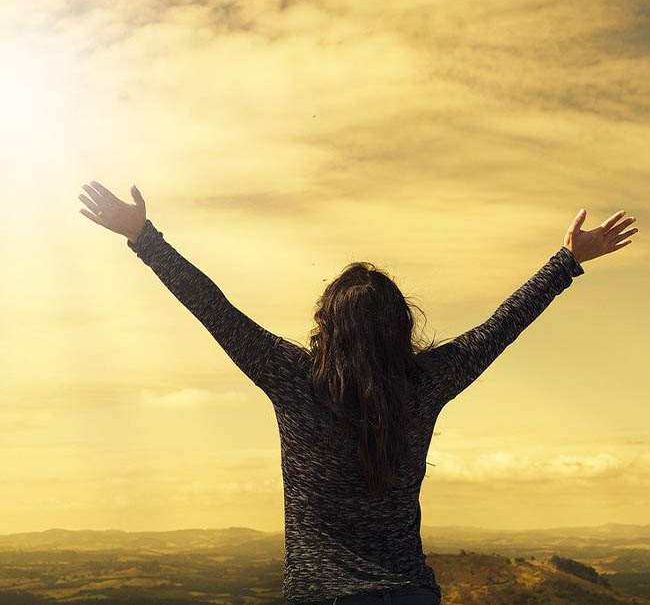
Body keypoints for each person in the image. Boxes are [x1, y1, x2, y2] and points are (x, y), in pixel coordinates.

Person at [78, 181, 638, 605]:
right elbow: (500, 326)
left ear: (326, 323)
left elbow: (214, 310)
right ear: (400, 324)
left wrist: (143, 238)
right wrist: (566, 262)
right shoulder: (425, 382)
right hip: (408, 593)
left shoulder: (294, 378)